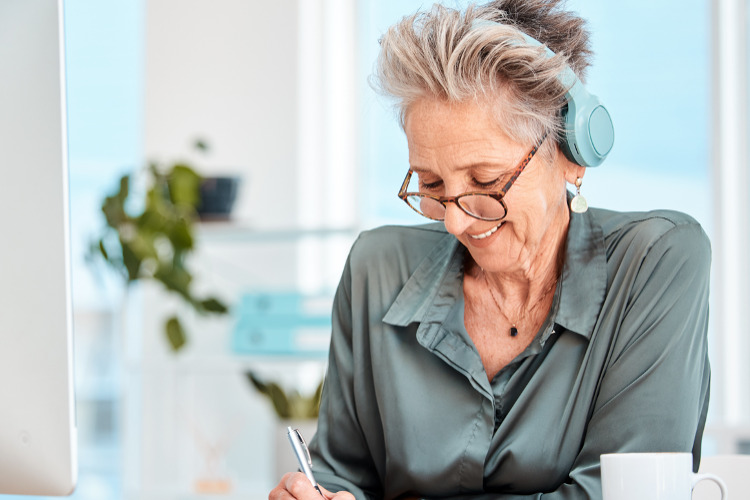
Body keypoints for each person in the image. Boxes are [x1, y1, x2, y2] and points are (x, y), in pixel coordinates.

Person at [270, 1, 711, 498]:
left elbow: (632, 492)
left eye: (486, 181)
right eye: (432, 184)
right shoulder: (377, 268)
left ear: (570, 154)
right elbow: (341, 473)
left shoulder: (659, 261)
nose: (455, 220)